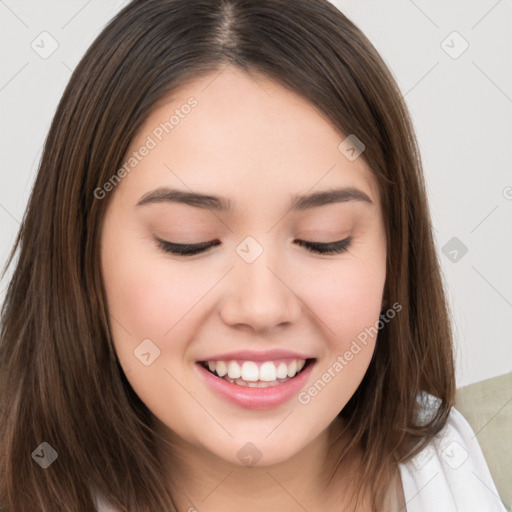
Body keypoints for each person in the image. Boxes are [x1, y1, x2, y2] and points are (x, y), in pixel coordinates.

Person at [0, 1, 506, 511]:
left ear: (395, 255)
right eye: (188, 240)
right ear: (82, 255)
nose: (262, 307)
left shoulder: (494, 460)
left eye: (322, 239)